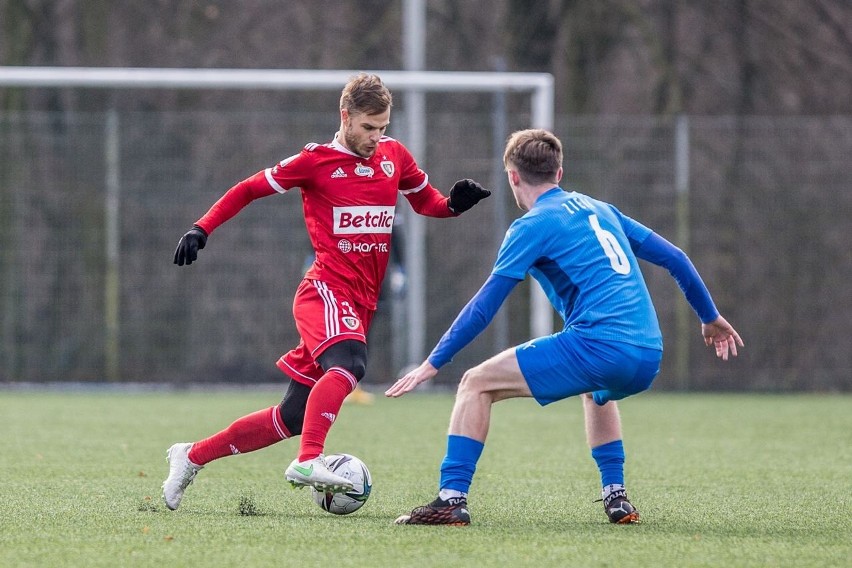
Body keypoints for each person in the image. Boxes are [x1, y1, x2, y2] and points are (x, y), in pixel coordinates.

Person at [162, 72, 491, 510]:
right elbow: (248, 189)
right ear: (345, 117)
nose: (376, 137)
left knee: (291, 417)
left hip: (359, 300)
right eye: (368, 127)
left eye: (383, 128)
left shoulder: (394, 157)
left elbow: (424, 200)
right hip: (323, 291)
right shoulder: (314, 161)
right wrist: (202, 227)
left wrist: (453, 205)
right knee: (351, 363)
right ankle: (308, 461)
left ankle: (191, 455)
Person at [386, 128, 743, 526]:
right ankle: (616, 496)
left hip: (600, 345)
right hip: (648, 352)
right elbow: (676, 257)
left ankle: (450, 499)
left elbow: (485, 305)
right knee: (596, 392)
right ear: (559, 171)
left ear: (512, 177)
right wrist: (709, 317)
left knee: (475, 383)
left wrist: (434, 361)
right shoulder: (601, 209)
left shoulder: (531, 225)